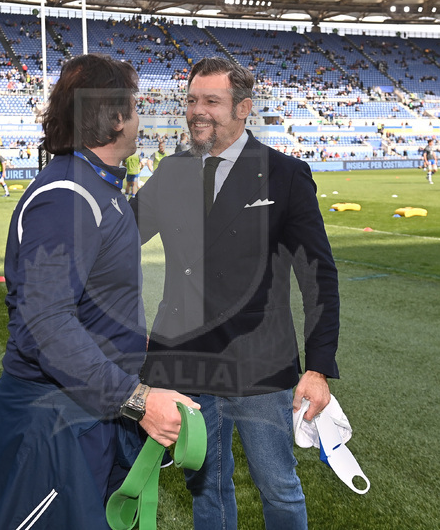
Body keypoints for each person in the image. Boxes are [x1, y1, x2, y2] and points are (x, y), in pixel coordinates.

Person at [0, 54, 198, 530]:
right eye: (135, 106)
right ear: (115, 116)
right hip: (55, 424)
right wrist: (138, 400)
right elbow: (45, 326)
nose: (141, 116)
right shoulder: (67, 197)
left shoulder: (97, 189)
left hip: (94, 414)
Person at [130, 57, 340, 529]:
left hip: (261, 369)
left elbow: (318, 276)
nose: (196, 112)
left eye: (211, 101)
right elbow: (120, 237)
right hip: (187, 364)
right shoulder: (172, 171)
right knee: (206, 489)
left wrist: (320, 367)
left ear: (243, 108)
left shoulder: (285, 174)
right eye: (190, 100)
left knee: (279, 490)